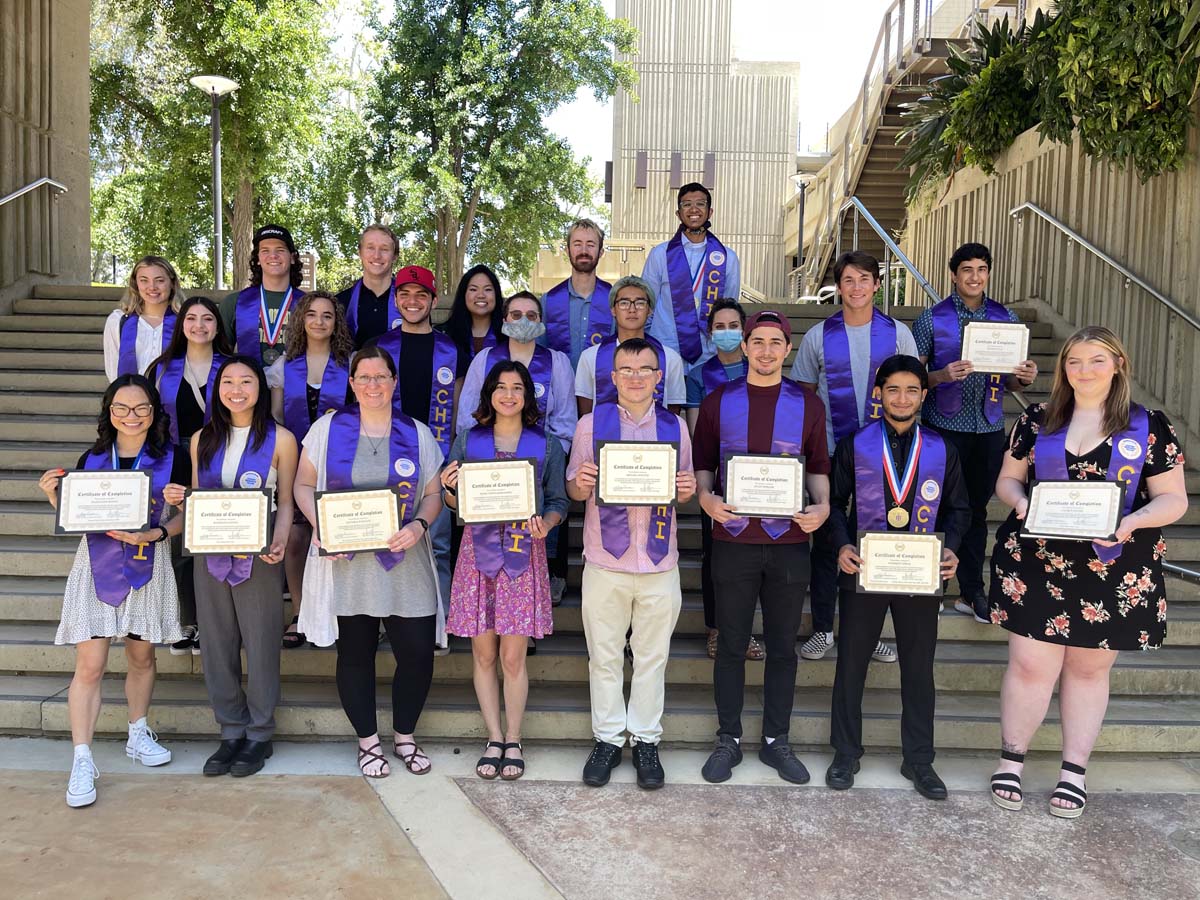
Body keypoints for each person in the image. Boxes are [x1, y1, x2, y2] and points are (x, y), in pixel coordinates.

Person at [988, 326, 1187, 818]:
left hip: (1113, 566)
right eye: (1074, 361)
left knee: (1089, 669)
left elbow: (1174, 498)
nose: (1083, 370)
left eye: (1096, 360)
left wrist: (1134, 520)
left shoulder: (1149, 425)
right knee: (1031, 665)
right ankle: (1011, 758)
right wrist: (1024, 503)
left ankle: (1073, 770)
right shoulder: (1037, 420)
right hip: (1038, 563)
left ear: (1118, 364)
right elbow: (1007, 482)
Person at [293, 346, 446, 778]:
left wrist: (419, 525)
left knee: (417, 653)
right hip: (346, 563)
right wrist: (319, 524)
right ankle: (368, 742)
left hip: (405, 559)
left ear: (394, 382)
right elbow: (304, 485)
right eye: (364, 378)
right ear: (353, 383)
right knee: (355, 654)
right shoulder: (326, 430)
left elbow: (433, 494)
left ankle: (405, 736)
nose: (373, 385)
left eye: (381, 377)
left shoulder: (417, 433)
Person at [692, 310, 831, 785]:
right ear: (745, 346)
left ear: (787, 349)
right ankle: (727, 738)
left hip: (790, 540)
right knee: (730, 644)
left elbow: (817, 467)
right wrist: (707, 498)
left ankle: (776, 740)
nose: (767, 350)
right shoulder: (718, 400)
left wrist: (825, 507)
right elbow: (704, 464)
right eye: (758, 341)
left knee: (782, 647)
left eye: (776, 342)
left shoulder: (808, 404)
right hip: (732, 538)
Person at [825, 355, 970, 799]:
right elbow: (833, 504)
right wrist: (842, 546)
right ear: (878, 394)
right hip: (865, 571)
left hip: (921, 575)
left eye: (911, 390)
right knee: (851, 664)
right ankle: (846, 752)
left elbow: (961, 509)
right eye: (893, 390)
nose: (902, 398)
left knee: (918, 669)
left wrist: (952, 551)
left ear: (924, 396)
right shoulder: (855, 444)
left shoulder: (943, 448)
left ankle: (919, 760)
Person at [39, 374, 182, 807]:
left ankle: (137, 732)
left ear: (154, 413)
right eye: (121, 408)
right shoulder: (93, 458)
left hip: (147, 564)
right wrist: (53, 497)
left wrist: (160, 532)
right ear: (109, 412)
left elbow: (183, 516)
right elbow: (78, 514)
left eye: (141, 408)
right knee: (90, 665)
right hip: (96, 567)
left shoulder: (172, 458)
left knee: (142, 656)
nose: (131, 416)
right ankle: (82, 759)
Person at [567, 338, 696, 789]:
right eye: (627, 369)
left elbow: (685, 488)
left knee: (651, 658)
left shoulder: (675, 427)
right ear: (613, 376)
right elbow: (573, 490)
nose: (636, 376)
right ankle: (606, 739)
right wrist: (580, 484)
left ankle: (645, 740)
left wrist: (684, 489)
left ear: (659, 377)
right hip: (606, 560)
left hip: (659, 561)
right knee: (603, 657)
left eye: (645, 369)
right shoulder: (589, 425)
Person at [442, 360, 569, 780]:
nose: (509, 394)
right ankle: (493, 737)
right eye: (501, 387)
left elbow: (558, 502)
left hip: (521, 557)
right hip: (477, 559)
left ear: (528, 396)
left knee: (513, 657)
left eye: (518, 388)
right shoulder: (467, 440)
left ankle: (514, 738)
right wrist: (448, 489)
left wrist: (545, 525)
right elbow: (453, 504)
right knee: (483, 653)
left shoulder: (547, 445)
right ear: (489, 394)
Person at [792, 251, 920, 665]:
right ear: (839, 286)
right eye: (848, 279)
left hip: (884, 455)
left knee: (878, 541)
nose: (857, 287)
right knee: (829, 542)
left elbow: (911, 391)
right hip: (830, 452)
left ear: (877, 284)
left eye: (864, 279)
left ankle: (867, 632)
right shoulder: (817, 336)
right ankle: (824, 628)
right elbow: (806, 397)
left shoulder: (898, 333)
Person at [174, 357, 298, 778]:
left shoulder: (281, 439)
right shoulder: (200, 439)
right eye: (228, 381)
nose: (237, 389)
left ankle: (260, 733)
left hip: (260, 553)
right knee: (216, 643)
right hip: (209, 553)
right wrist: (180, 500)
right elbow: (197, 495)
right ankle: (230, 729)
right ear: (218, 388)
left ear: (260, 387)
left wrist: (280, 539)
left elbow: (285, 500)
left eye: (246, 380)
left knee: (262, 641)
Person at [912, 242, 1037, 621]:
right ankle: (933, 586)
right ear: (954, 274)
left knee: (978, 511)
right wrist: (940, 375)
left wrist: (1024, 380)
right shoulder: (932, 318)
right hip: (942, 426)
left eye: (982, 269)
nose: (974, 276)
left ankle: (972, 591)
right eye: (967, 269)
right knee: (937, 507)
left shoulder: (1006, 318)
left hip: (988, 428)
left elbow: (1013, 383)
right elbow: (913, 379)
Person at [370, 265, 467, 636]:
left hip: (435, 457)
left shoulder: (448, 348)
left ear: (433, 300)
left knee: (437, 544)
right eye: (405, 295)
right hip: (386, 454)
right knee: (383, 540)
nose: (413, 302)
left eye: (421, 295)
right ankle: (382, 620)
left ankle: (437, 623)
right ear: (396, 300)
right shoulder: (380, 348)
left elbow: (456, 403)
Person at [145, 296, 232, 656]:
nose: (199, 325)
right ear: (181, 325)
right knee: (179, 543)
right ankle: (186, 620)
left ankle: (216, 622)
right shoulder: (162, 368)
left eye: (207, 319)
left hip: (221, 456)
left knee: (214, 537)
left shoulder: (231, 366)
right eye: (191, 318)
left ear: (217, 326)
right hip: (175, 459)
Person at [267, 291, 353, 649]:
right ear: (301, 320)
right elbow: (275, 418)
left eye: (328, 316)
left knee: (344, 539)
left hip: (340, 463)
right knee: (298, 539)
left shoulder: (349, 364)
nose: (319, 321)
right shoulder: (283, 366)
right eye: (312, 314)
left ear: (337, 323)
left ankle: (344, 613)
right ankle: (301, 612)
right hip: (296, 461)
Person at [684, 298, 762, 662]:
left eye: (734, 326)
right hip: (715, 479)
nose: (727, 332)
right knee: (716, 556)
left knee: (755, 558)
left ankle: (744, 632)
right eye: (720, 326)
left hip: (760, 479)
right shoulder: (698, 376)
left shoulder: (761, 367)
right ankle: (716, 628)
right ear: (710, 332)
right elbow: (698, 432)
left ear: (744, 332)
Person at [457, 291, 577, 452]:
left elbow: (565, 419)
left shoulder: (558, 362)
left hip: (541, 457)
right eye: (516, 315)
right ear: (504, 320)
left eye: (531, 316)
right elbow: (467, 414)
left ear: (540, 320)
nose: (524, 321)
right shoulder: (484, 359)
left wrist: (552, 459)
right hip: (486, 457)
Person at [642, 183, 741, 365]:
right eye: (686, 204)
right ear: (678, 213)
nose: (693, 209)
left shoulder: (728, 258)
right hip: (665, 351)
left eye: (700, 204)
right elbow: (646, 303)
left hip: (708, 354)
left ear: (710, 212)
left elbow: (729, 306)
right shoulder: (660, 254)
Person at [574, 275, 686, 415]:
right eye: (624, 303)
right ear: (613, 310)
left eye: (639, 303)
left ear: (649, 310)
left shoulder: (670, 358)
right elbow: (586, 412)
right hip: (604, 436)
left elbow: (672, 412)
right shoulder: (590, 357)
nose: (632, 309)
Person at [220, 224, 305, 368]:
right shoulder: (234, 302)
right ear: (258, 259)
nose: (273, 255)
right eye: (265, 250)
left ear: (292, 258)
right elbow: (220, 355)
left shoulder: (307, 304)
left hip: (295, 386)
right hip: (249, 385)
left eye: (280, 250)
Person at [540, 218, 613, 367]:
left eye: (591, 245)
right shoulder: (549, 301)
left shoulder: (614, 299)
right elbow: (539, 352)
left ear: (601, 252)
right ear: (567, 250)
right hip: (558, 387)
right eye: (577, 244)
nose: (584, 251)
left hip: (603, 386)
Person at [103, 256, 184, 382]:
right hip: (132, 398)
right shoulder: (118, 321)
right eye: (144, 280)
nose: (152, 287)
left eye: (160, 280)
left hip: (174, 400)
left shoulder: (185, 322)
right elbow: (113, 370)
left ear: (172, 283)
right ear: (136, 283)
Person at [336, 224, 400, 349]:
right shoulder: (341, 302)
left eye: (384, 249)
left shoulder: (409, 303)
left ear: (395, 256)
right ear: (360, 252)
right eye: (370, 248)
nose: (377, 255)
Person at [443, 264, 504, 362]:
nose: (481, 295)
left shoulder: (508, 336)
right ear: (463, 295)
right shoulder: (445, 335)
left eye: (488, 289)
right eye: (473, 289)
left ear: (496, 295)